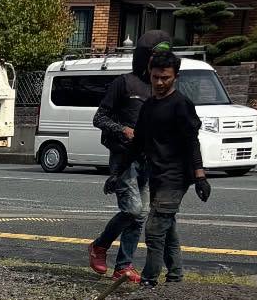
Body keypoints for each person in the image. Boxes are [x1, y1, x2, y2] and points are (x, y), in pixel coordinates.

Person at [87, 29, 168, 283]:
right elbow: (99, 118)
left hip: (147, 159)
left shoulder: (159, 89)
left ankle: (123, 266)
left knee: (140, 215)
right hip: (123, 158)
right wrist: (122, 129)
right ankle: (99, 246)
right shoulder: (124, 83)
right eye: (155, 57)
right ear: (145, 57)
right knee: (132, 210)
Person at [135, 44, 210, 286]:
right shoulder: (149, 106)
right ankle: (175, 279)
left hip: (176, 176)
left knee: (155, 229)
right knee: (167, 229)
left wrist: (200, 176)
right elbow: (138, 142)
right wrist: (116, 173)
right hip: (156, 174)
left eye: (165, 78)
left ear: (175, 76)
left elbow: (192, 141)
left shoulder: (181, 104)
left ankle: (149, 281)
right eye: (155, 77)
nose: (159, 82)